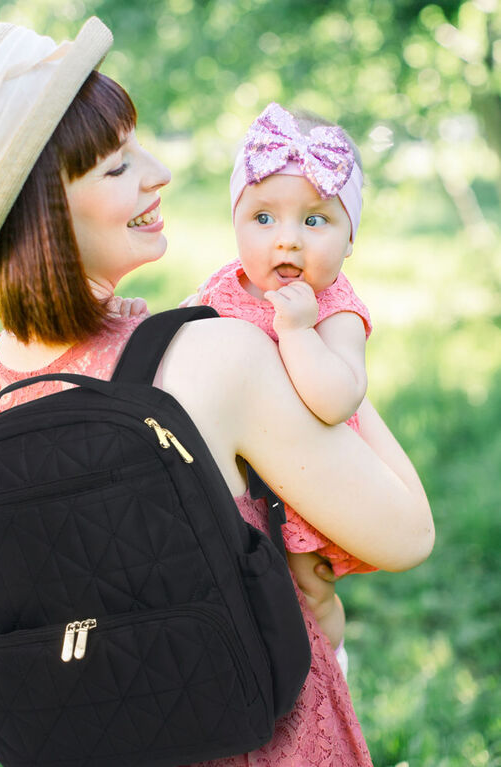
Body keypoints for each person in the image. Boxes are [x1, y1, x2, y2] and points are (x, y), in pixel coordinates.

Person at [0, 17, 434, 767]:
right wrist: (331, 334)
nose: (157, 172)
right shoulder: (215, 356)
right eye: (119, 166)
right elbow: (405, 532)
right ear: (48, 212)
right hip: (260, 730)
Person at [179, 103, 383, 660]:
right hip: (234, 479)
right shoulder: (223, 287)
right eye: (263, 219)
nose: (287, 240)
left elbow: (337, 400)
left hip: (305, 482)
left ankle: (328, 670)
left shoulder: (335, 308)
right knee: (241, 593)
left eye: (314, 220)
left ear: (349, 240)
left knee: (309, 593)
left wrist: (296, 330)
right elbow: (177, 351)